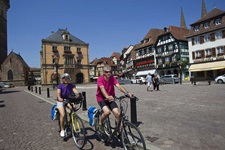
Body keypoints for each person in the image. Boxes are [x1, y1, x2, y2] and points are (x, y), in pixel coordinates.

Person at [96, 65, 133, 130]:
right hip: (101, 98)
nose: (109, 73)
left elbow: (118, 86)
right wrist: (107, 96)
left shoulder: (112, 78)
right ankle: (100, 122)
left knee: (117, 113)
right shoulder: (100, 79)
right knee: (107, 112)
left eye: (110, 72)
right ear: (103, 72)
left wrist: (126, 93)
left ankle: (117, 130)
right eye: (106, 72)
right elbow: (102, 88)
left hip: (111, 98)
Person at [57, 73, 80, 138]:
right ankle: (62, 129)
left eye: (67, 78)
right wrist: (59, 97)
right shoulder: (60, 86)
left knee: (72, 108)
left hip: (68, 100)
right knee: (63, 114)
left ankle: (70, 121)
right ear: (63, 79)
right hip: (60, 101)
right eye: (65, 78)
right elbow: (58, 93)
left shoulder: (71, 85)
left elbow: (75, 90)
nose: (66, 79)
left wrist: (78, 94)